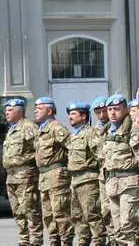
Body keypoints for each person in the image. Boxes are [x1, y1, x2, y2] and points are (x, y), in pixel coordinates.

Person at [101, 94, 139, 246]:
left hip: (129, 185)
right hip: (112, 184)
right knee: (117, 230)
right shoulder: (108, 131)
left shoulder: (134, 130)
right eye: (110, 109)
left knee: (128, 227)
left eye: (116, 109)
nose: (112, 113)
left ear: (125, 109)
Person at [34, 96, 74, 246]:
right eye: (35, 108)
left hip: (57, 176)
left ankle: (66, 242)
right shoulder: (41, 129)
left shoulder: (56, 127)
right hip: (44, 177)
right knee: (49, 216)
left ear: (49, 110)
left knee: (61, 214)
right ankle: (54, 242)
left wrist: (67, 170)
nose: (35, 111)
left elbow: (72, 147)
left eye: (39, 108)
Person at [2, 98, 43, 246]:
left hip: (26, 176)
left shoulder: (28, 127)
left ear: (19, 112)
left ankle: (35, 241)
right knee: (18, 212)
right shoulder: (12, 130)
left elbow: (39, 150)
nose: (6, 113)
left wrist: (26, 162)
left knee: (30, 211)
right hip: (12, 177)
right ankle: (24, 240)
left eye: (10, 111)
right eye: (6, 111)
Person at [66, 101, 105, 246]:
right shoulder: (73, 135)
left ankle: (99, 242)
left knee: (92, 216)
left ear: (83, 116)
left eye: (73, 114)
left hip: (88, 181)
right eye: (69, 114)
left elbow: (100, 156)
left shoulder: (91, 133)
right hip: (75, 181)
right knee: (77, 218)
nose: (70, 117)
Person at [91, 96, 114, 242]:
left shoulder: (116, 127)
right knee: (104, 208)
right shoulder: (95, 130)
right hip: (102, 173)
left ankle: (116, 239)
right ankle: (110, 237)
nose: (101, 115)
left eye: (103, 111)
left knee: (116, 209)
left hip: (115, 172)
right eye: (98, 112)